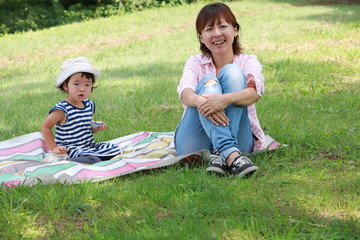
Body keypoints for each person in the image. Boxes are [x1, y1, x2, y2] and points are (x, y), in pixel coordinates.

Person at [175, 2, 279, 177]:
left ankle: (223, 153)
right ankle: (232, 156)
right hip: (194, 144)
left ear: (235, 30)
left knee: (232, 72)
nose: (217, 34)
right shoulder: (195, 62)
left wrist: (226, 99)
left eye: (223, 26)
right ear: (201, 37)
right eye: (209, 29)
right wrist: (205, 102)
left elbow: (255, 93)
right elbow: (185, 94)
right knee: (209, 81)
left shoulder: (248, 61)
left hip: (241, 138)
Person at [41, 56, 121, 164]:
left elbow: (88, 128)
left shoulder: (89, 104)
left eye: (87, 85)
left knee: (114, 150)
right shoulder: (62, 110)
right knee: (94, 160)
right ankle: (63, 160)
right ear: (65, 86)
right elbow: (46, 126)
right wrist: (54, 147)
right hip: (71, 149)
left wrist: (96, 128)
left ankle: (89, 158)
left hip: (88, 146)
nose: (82, 88)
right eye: (76, 84)